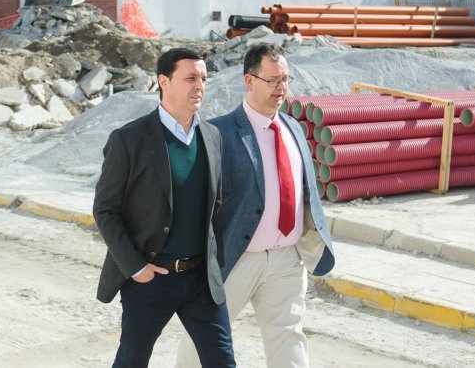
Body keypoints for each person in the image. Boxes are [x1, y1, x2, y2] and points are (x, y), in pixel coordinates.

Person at [176, 43, 335, 367]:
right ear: (249, 81)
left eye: (285, 79)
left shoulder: (293, 129)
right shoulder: (217, 132)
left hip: (286, 259)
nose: (281, 87)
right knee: (204, 337)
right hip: (236, 258)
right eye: (273, 80)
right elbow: (194, 202)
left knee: (288, 335)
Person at [93, 47, 236, 368]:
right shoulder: (129, 139)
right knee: (132, 361)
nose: (199, 86)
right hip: (151, 279)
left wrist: (215, 263)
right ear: (164, 81)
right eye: (190, 78)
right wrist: (136, 268)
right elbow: (105, 210)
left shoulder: (212, 136)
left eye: (203, 79)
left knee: (223, 361)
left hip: (200, 280)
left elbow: (217, 206)